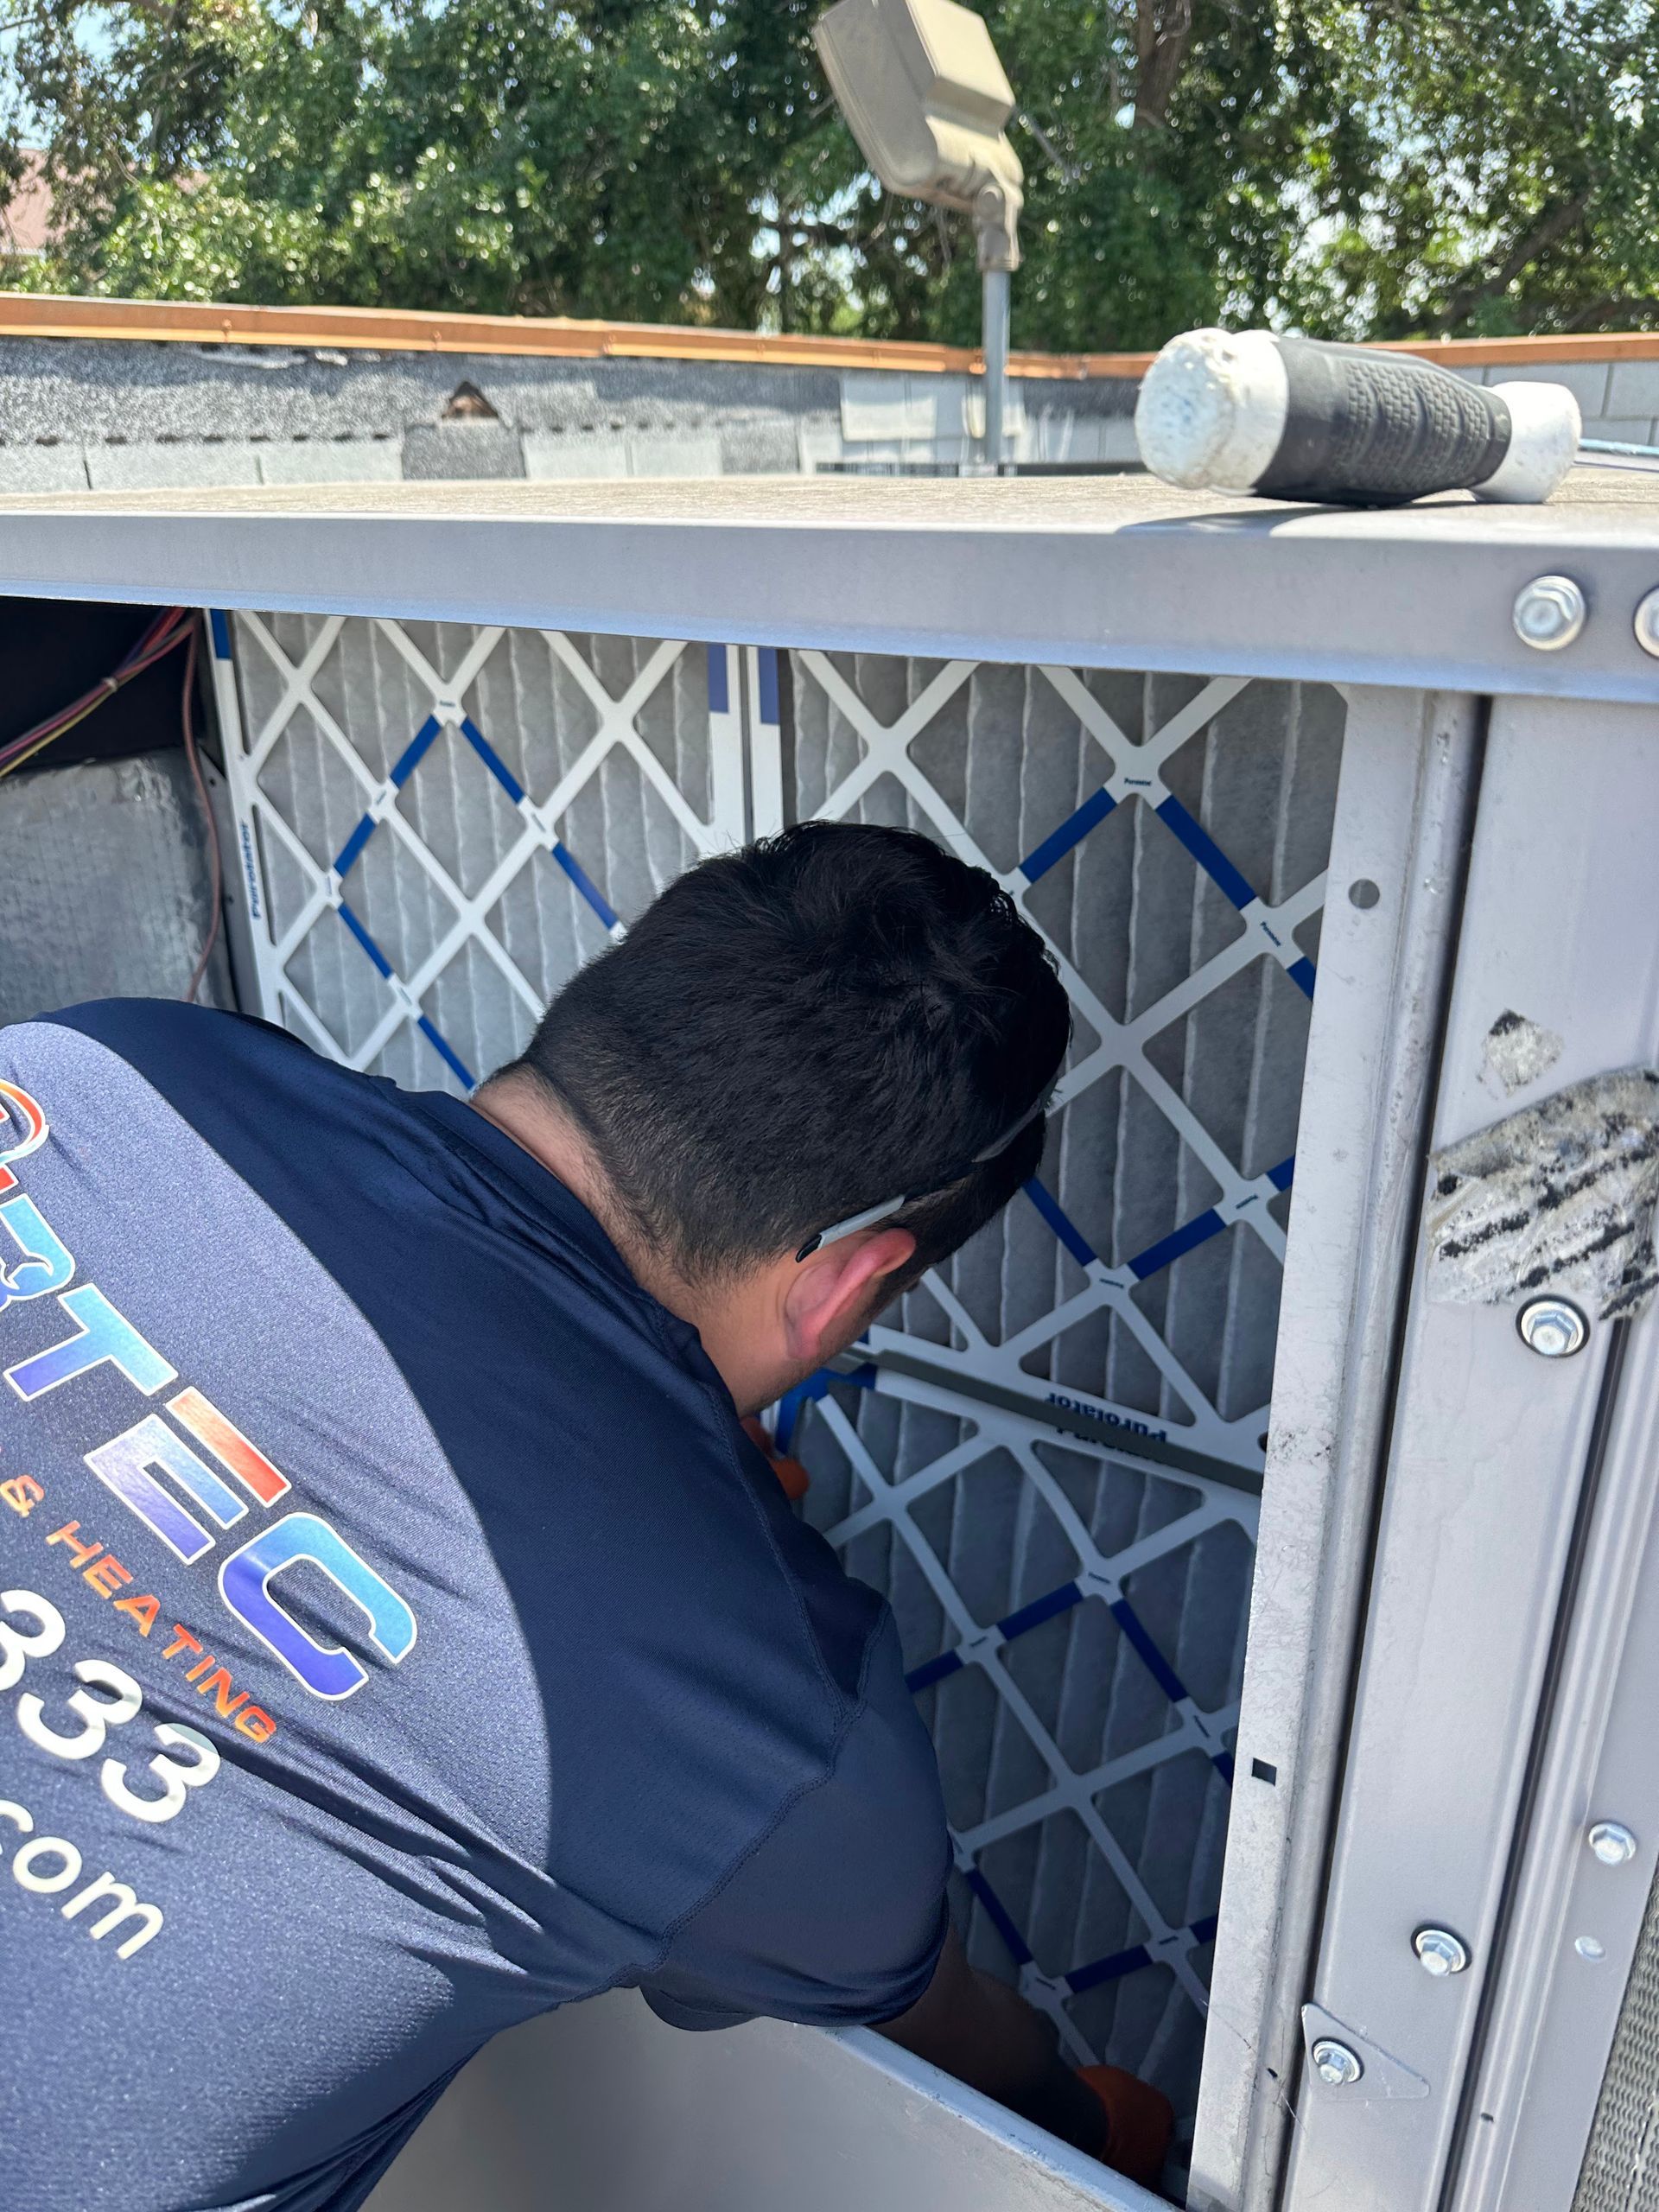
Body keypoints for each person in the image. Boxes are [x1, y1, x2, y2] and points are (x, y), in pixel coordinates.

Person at [0, 821, 1173, 2211]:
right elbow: (957, 2050)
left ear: (601, 1014)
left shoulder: (88, 1069)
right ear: (850, 1286)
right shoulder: (775, 1737)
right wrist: (1097, 2127)